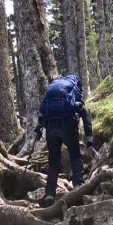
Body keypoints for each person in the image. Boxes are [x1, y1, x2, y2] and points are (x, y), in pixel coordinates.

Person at [35, 75, 96, 208]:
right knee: (75, 156)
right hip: (67, 127)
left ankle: (50, 194)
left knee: (53, 162)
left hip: (51, 129)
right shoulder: (73, 90)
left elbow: (41, 115)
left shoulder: (52, 92)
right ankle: (78, 187)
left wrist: (39, 130)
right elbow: (84, 114)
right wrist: (89, 140)